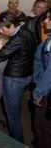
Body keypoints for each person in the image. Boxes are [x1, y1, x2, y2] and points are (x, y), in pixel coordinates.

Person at [0, 12, 36, 143]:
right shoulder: (26, 30)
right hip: (26, 74)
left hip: (14, 78)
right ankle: (12, 126)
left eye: (2, 28)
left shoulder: (17, 38)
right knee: (14, 109)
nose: (0, 31)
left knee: (12, 113)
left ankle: (17, 141)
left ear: (11, 25)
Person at [32, 8, 51, 148]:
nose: (45, 21)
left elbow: (49, 73)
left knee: (42, 127)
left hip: (47, 92)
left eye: (49, 18)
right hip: (45, 88)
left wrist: (38, 92)